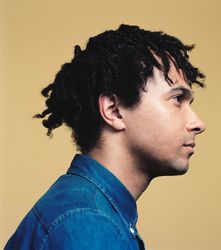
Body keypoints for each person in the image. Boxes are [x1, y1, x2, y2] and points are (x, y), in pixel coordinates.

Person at [5, 24, 206, 250]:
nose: (198, 124)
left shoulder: (91, 211)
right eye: (177, 99)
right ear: (114, 111)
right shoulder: (88, 223)